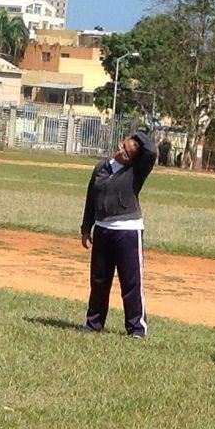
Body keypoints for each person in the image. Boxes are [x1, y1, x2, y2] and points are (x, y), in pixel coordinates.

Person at [80, 130, 159, 336]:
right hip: (103, 230)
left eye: (126, 152)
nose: (120, 151)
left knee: (131, 282)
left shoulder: (136, 171)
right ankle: (93, 324)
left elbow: (151, 151)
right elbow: (91, 198)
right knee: (99, 281)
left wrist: (138, 135)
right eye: (123, 145)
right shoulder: (101, 168)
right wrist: (86, 228)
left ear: (132, 159)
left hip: (128, 232)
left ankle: (136, 328)